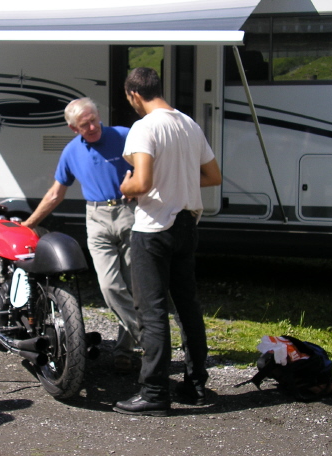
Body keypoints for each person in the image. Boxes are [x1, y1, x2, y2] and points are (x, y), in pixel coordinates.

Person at [113, 68, 222, 416]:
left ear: (133, 94)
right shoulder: (189, 124)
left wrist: (126, 185)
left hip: (154, 228)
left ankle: (155, 392)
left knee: (153, 310)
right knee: (187, 306)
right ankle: (196, 385)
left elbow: (142, 182)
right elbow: (214, 176)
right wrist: (180, 183)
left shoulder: (144, 127)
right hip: (188, 224)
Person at [22, 97, 141, 374]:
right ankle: (148, 336)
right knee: (110, 286)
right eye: (84, 124)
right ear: (73, 128)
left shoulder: (124, 136)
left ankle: (125, 350)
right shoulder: (71, 152)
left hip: (130, 213)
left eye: (94, 119)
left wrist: (139, 184)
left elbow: (150, 167)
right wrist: (29, 224)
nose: (92, 126)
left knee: (133, 286)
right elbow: (55, 193)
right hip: (97, 218)